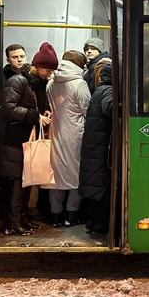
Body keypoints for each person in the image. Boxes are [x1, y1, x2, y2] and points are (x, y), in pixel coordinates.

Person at [0, 42, 57, 235]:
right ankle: (13, 222)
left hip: (25, 138)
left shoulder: (36, 82)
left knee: (26, 180)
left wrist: (44, 110)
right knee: (17, 182)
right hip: (13, 139)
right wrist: (34, 116)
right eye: (48, 70)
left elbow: (35, 104)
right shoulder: (17, 81)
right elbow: (9, 108)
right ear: (37, 67)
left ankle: (22, 218)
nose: (50, 74)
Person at [46, 50, 91, 227]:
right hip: (75, 135)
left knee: (55, 177)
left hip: (55, 133)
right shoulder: (79, 84)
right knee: (75, 176)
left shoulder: (51, 83)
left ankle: (55, 215)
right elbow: (87, 109)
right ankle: (71, 216)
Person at [80, 59, 113, 237]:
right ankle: (99, 226)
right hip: (100, 148)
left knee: (95, 188)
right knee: (102, 188)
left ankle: (92, 224)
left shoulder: (99, 89)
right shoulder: (108, 90)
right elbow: (110, 108)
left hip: (94, 146)